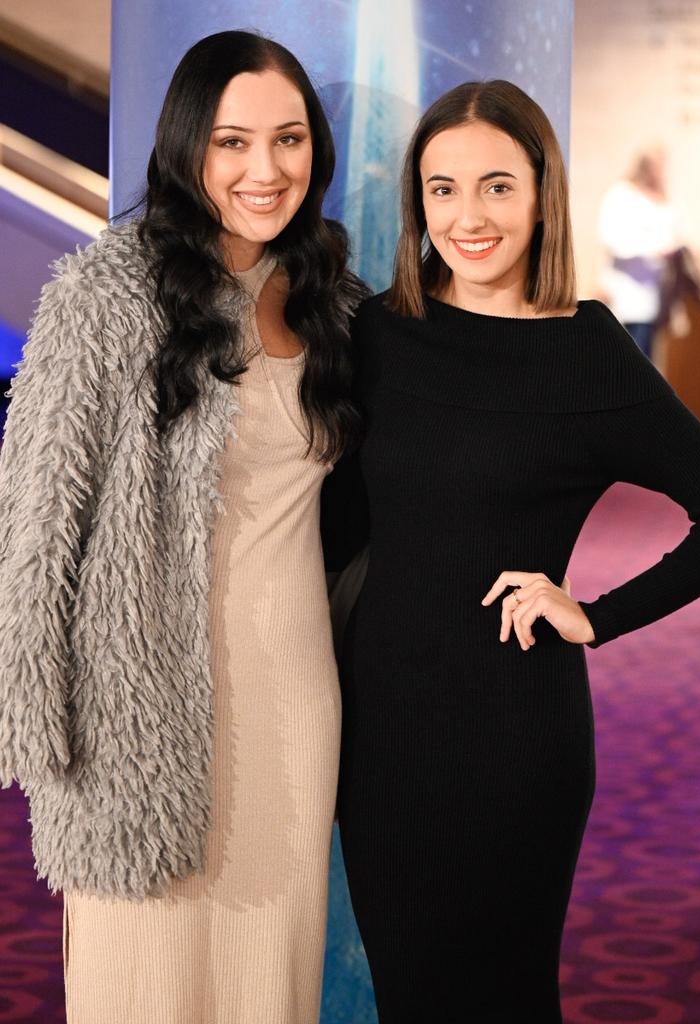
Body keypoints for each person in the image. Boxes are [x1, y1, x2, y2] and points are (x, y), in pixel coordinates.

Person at [328, 81, 700, 1023]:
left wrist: (595, 615)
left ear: (541, 194)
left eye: (496, 186)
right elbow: (333, 526)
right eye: (441, 189)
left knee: (505, 1001)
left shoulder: (587, 353)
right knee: (412, 998)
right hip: (381, 734)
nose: (468, 216)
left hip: (515, 734)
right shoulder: (379, 334)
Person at [0, 29, 365, 1024]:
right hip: (138, 714)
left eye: (288, 140)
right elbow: (35, 526)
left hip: (294, 702)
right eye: (233, 141)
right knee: (143, 986)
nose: (264, 168)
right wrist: (42, 721)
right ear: (187, 147)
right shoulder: (106, 294)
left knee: (266, 987)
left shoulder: (335, 301)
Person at [598, 148, 681, 357]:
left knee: (645, 363)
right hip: (625, 291)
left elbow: (674, 234)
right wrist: (654, 248)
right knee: (622, 359)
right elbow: (612, 238)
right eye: (657, 166)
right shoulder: (622, 194)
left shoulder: (663, 199)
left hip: (651, 296)